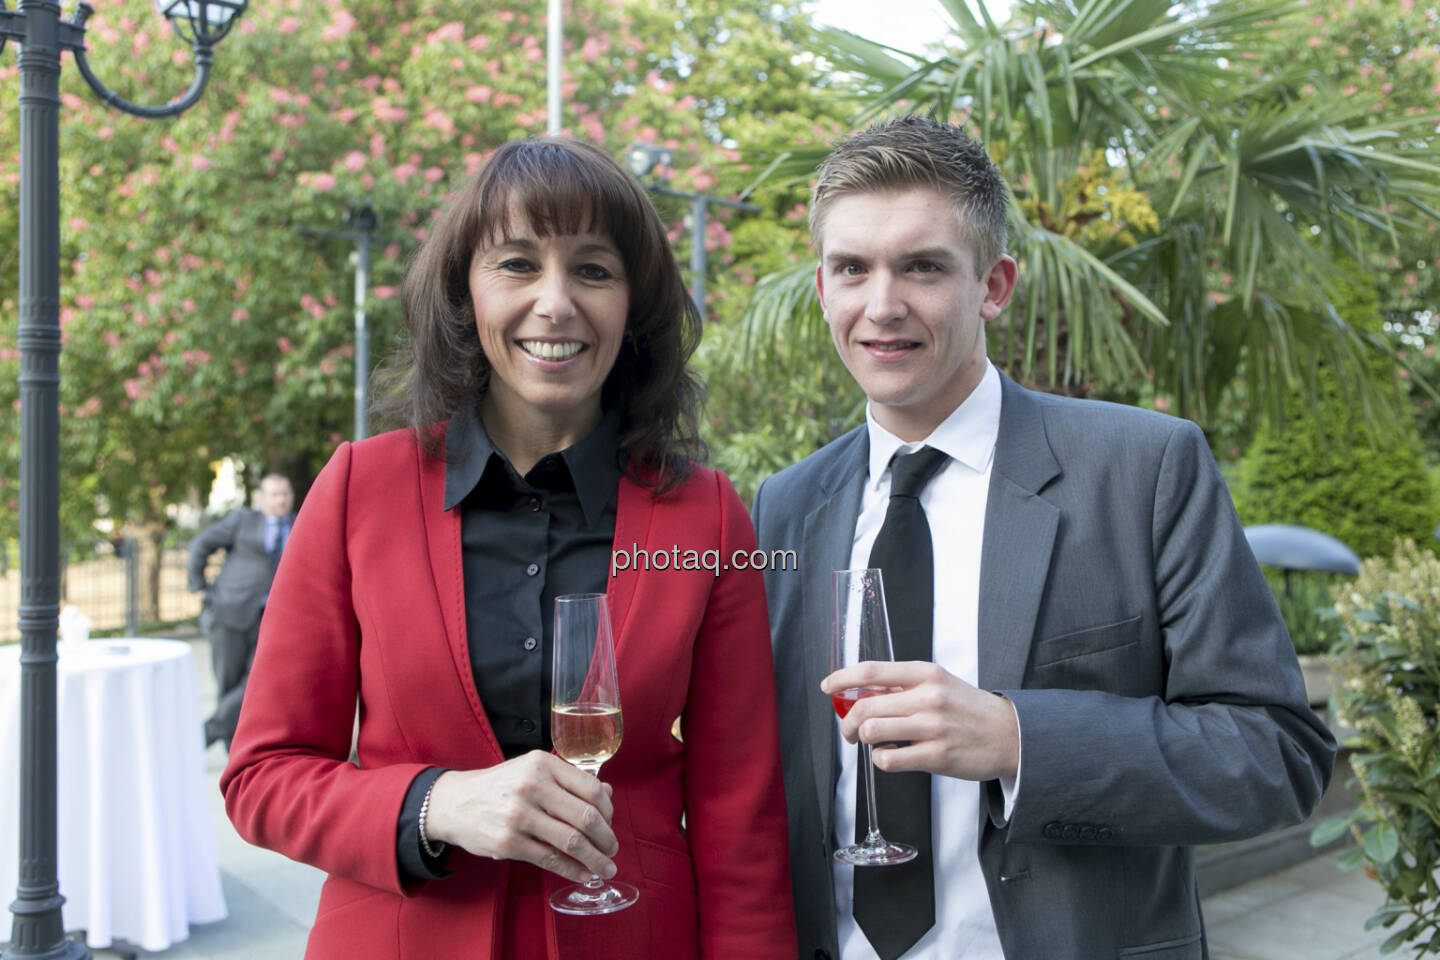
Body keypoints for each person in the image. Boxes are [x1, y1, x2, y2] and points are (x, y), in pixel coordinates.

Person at [751, 115, 1336, 960]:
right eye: (853, 269)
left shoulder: (1144, 467)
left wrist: (1020, 740)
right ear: (822, 289)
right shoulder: (785, 504)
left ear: (994, 285)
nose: (882, 306)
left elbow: (1277, 754)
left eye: (922, 266)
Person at [219, 137, 796, 960]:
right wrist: (434, 805)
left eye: (594, 270)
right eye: (517, 264)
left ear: (635, 304)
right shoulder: (357, 490)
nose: (555, 303)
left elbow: (742, 820)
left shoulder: (705, 516)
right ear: (466, 294)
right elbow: (262, 778)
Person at [187, 472, 294, 748]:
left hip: (272, 620)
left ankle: (206, 734)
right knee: (228, 682)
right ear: (262, 498)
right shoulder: (243, 521)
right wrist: (199, 587)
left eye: (285, 494)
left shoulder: (298, 524)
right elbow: (200, 545)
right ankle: (232, 749)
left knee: (257, 683)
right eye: (275, 494)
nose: (282, 499)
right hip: (230, 612)